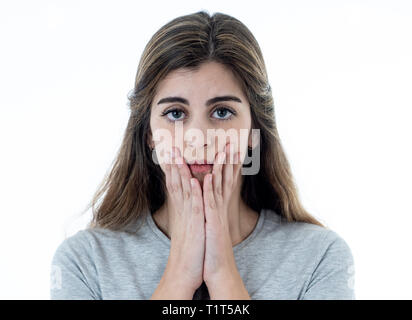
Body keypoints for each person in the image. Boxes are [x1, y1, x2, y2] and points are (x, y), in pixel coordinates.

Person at [50, 10, 355, 300]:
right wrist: (181, 272)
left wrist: (223, 272)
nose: (199, 139)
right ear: (148, 135)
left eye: (222, 112)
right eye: (174, 113)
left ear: (253, 131)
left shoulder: (319, 257)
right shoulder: (85, 262)